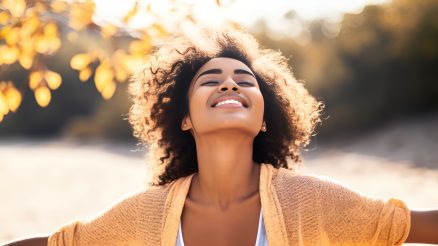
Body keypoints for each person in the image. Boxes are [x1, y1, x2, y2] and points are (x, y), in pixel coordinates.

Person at [4, 27, 438, 246]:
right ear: (184, 118)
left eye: (245, 81)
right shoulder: (144, 215)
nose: (230, 85)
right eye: (211, 79)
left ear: (266, 117)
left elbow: (410, 225)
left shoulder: (313, 201)